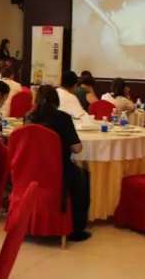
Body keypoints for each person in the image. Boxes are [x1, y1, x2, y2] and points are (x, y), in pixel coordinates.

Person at [26, 85, 91, 242]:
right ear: (56, 100)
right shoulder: (62, 118)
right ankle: (77, 229)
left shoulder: (29, 117)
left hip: (31, 170)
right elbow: (77, 148)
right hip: (58, 170)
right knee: (83, 176)